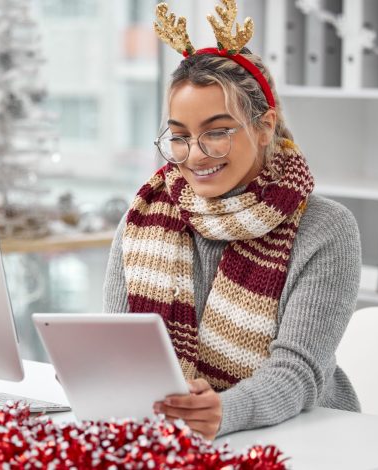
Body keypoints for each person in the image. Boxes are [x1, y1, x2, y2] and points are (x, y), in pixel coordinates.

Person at [103, 1, 361, 440]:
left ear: (264, 127)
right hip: (177, 434)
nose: (196, 155)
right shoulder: (144, 214)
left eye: (218, 131)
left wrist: (223, 410)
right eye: (180, 137)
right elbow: (115, 348)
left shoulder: (325, 228)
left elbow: (297, 373)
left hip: (307, 437)